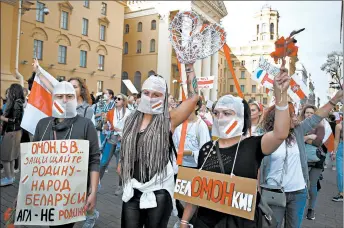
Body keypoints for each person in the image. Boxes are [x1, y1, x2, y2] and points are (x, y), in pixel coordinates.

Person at [180, 66, 291, 228]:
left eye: (227, 113)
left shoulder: (254, 145)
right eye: (216, 113)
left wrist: (281, 95)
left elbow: (280, 133)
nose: (220, 118)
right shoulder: (207, 149)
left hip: (241, 223)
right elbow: (196, 190)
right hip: (206, 222)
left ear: (241, 117)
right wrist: (184, 221)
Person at [119, 62, 200, 228]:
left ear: (163, 97)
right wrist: (122, 163)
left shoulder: (168, 120)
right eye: (146, 93)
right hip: (132, 188)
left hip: (159, 191)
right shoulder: (130, 120)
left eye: (156, 94)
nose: (150, 97)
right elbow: (126, 147)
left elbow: (193, 98)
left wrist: (189, 67)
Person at [259, 90, 343, 228]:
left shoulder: (297, 131)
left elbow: (317, 116)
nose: (296, 118)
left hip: (298, 192)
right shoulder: (266, 138)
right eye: (291, 116)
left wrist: (335, 99)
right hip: (274, 193)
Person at [31, 81, 100, 228]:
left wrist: (93, 191)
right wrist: (23, 193)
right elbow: (32, 161)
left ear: (75, 98)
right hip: (48, 190)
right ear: (53, 98)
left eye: (69, 96)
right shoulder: (43, 125)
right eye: (59, 96)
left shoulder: (86, 125)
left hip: (73, 192)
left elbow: (94, 159)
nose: (64, 100)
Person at [172, 99, 211, 227]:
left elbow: (205, 150)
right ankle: (184, 219)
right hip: (177, 166)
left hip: (193, 168)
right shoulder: (179, 124)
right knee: (173, 197)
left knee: (191, 200)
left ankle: (188, 222)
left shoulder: (201, 125)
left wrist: (188, 153)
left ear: (196, 107)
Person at [100, 93, 131, 196]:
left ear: (123, 101)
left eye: (119, 99)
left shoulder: (129, 113)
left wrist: (123, 132)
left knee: (120, 166)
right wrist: (105, 125)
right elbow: (106, 127)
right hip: (111, 139)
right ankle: (96, 184)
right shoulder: (110, 112)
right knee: (103, 162)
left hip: (122, 142)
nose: (116, 100)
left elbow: (131, 128)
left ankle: (120, 186)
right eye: (115, 98)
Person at [301, 105, 325, 220]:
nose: (309, 114)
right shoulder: (300, 125)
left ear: (315, 114)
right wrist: (309, 137)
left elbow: (318, 142)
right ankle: (299, 207)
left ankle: (311, 209)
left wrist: (304, 138)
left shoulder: (320, 125)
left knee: (312, 186)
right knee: (302, 185)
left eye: (311, 113)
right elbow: (295, 139)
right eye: (307, 112)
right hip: (301, 159)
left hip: (316, 160)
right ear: (304, 114)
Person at [0, 84, 25, 186]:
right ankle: (11, 176)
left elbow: (14, 120)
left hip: (12, 132)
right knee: (11, 156)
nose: (8, 92)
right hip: (14, 132)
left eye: (10, 90)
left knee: (5, 157)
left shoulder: (16, 103)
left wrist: (1, 118)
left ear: (14, 91)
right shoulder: (18, 102)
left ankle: (9, 177)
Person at [332, 121, 343, 202]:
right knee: (340, 173)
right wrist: (334, 152)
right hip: (341, 150)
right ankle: (341, 193)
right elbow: (336, 140)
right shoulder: (339, 126)